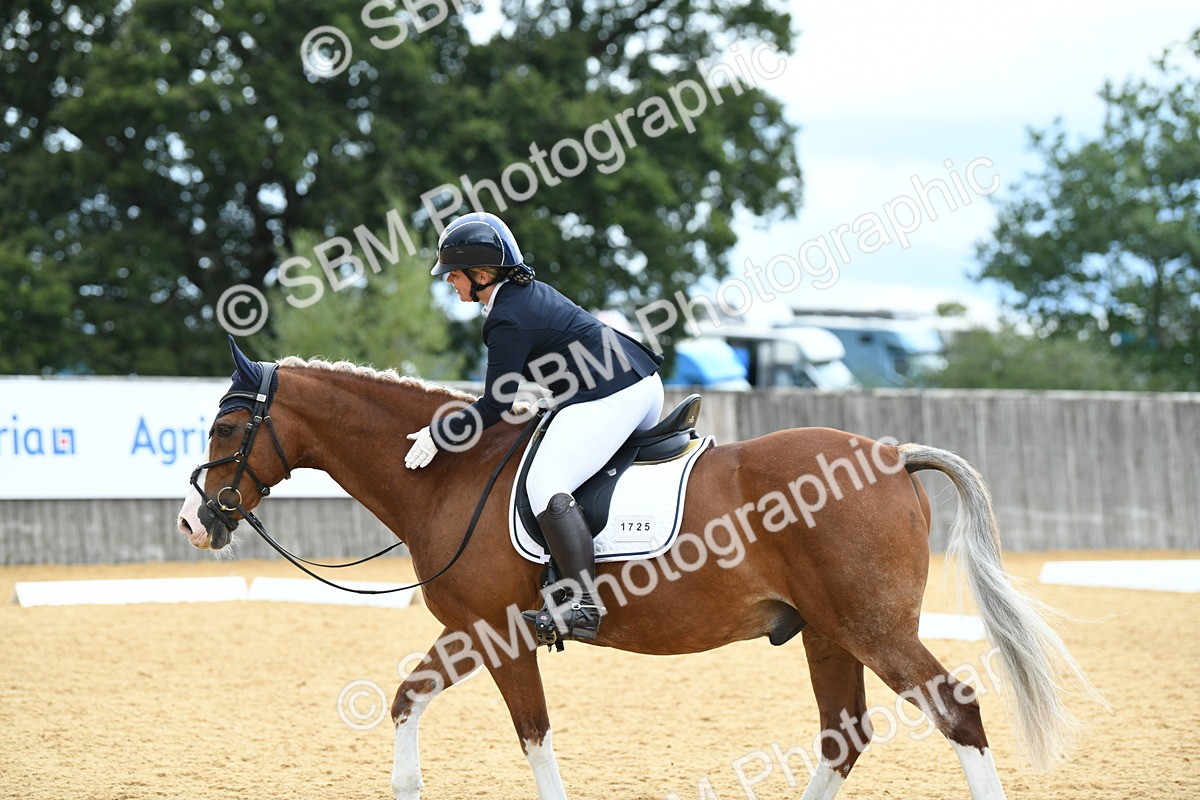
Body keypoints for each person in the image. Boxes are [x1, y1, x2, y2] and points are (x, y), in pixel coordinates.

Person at [404, 211, 665, 641]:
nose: (449, 283)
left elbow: (494, 405)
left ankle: (582, 605)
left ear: (482, 274)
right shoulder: (524, 294)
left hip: (618, 394)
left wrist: (439, 434)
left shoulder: (505, 317)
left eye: (454, 275)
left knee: (545, 483)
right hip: (637, 384)